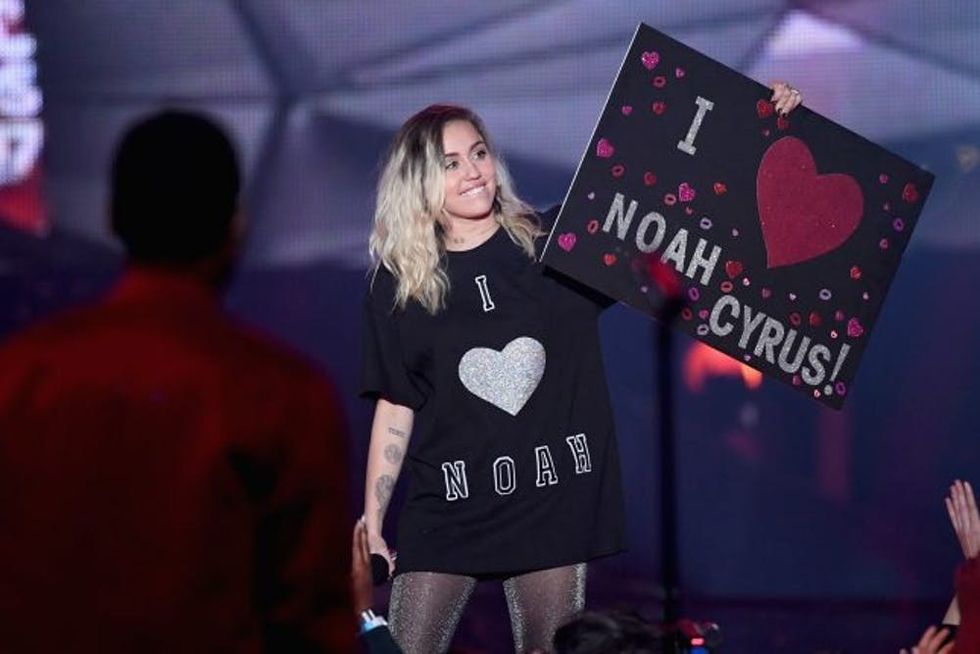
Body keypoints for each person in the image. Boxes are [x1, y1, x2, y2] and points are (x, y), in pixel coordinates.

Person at [361, 86, 803, 653]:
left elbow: (673, 203)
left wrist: (760, 126)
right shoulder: (397, 285)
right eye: (450, 163)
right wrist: (373, 521)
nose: (473, 171)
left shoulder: (555, 245)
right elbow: (396, 403)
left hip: (552, 499)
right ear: (417, 180)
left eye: (478, 152)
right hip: (446, 505)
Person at [0, 110, 354, 652]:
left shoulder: (18, 374)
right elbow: (311, 618)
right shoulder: (283, 396)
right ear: (234, 227)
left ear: (114, 216)